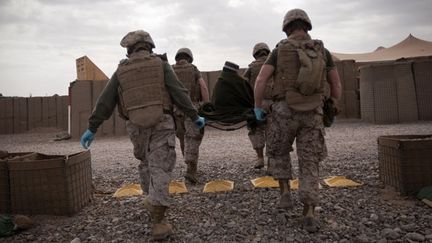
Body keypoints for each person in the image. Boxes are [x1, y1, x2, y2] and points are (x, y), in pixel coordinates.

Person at [79, 30, 205, 240]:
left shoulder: (122, 70)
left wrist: (92, 128)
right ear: (149, 46)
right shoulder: (161, 65)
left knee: (146, 163)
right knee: (161, 167)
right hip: (161, 122)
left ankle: (152, 199)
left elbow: (105, 101)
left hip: (135, 127)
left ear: (129, 49)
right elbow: (179, 93)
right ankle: (159, 220)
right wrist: (194, 115)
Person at [253, 9, 342, 233]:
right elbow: (336, 84)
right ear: (307, 26)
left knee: (279, 151)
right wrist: (332, 103)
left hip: (284, 109)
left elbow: (261, 80)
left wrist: (257, 108)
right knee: (309, 160)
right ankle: (309, 211)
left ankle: (284, 193)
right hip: (313, 111)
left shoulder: (279, 49)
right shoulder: (322, 51)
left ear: (287, 28)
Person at [172, 48, 209, 184]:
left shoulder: (171, 69)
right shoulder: (193, 69)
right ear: (190, 57)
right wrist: (206, 105)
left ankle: (189, 166)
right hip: (192, 108)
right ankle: (191, 170)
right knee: (193, 138)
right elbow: (203, 87)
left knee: (182, 138)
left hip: (175, 110)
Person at [243, 43, 273, 172]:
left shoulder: (251, 68)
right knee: (273, 132)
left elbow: (243, 83)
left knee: (256, 130)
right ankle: (272, 162)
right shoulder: (274, 64)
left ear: (255, 54)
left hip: (256, 104)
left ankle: (260, 158)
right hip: (273, 103)